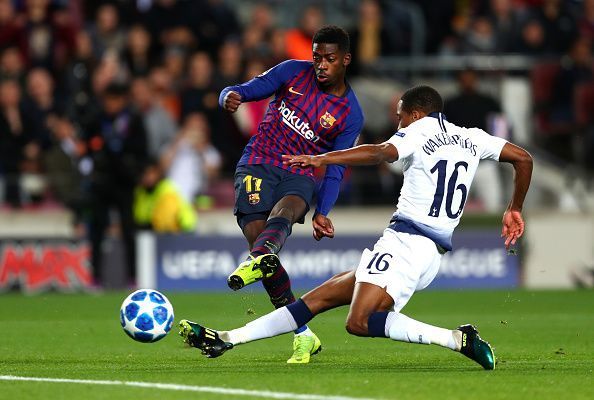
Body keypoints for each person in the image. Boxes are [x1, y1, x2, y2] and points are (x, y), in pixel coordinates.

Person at [178, 85, 533, 370]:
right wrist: (514, 207)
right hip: (425, 250)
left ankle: (457, 340)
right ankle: (227, 338)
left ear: (415, 113)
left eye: (400, 119)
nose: (399, 126)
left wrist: (322, 158)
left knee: (359, 321)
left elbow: (379, 153)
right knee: (317, 300)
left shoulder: (418, 132)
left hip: (407, 245)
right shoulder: (471, 137)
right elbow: (523, 158)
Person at [187, 25, 364, 364]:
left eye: (329, 59)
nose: (321, 65)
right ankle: (302, 333)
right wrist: (230, 96)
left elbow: (336, 167)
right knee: (262, 245)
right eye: (317, 58)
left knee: (287, 210)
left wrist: (323, 211)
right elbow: (247, 89)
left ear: (345, 59)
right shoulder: (292, 71)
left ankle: (259, 258)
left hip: (299, 173)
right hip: (257, 163)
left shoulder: (350, 114)